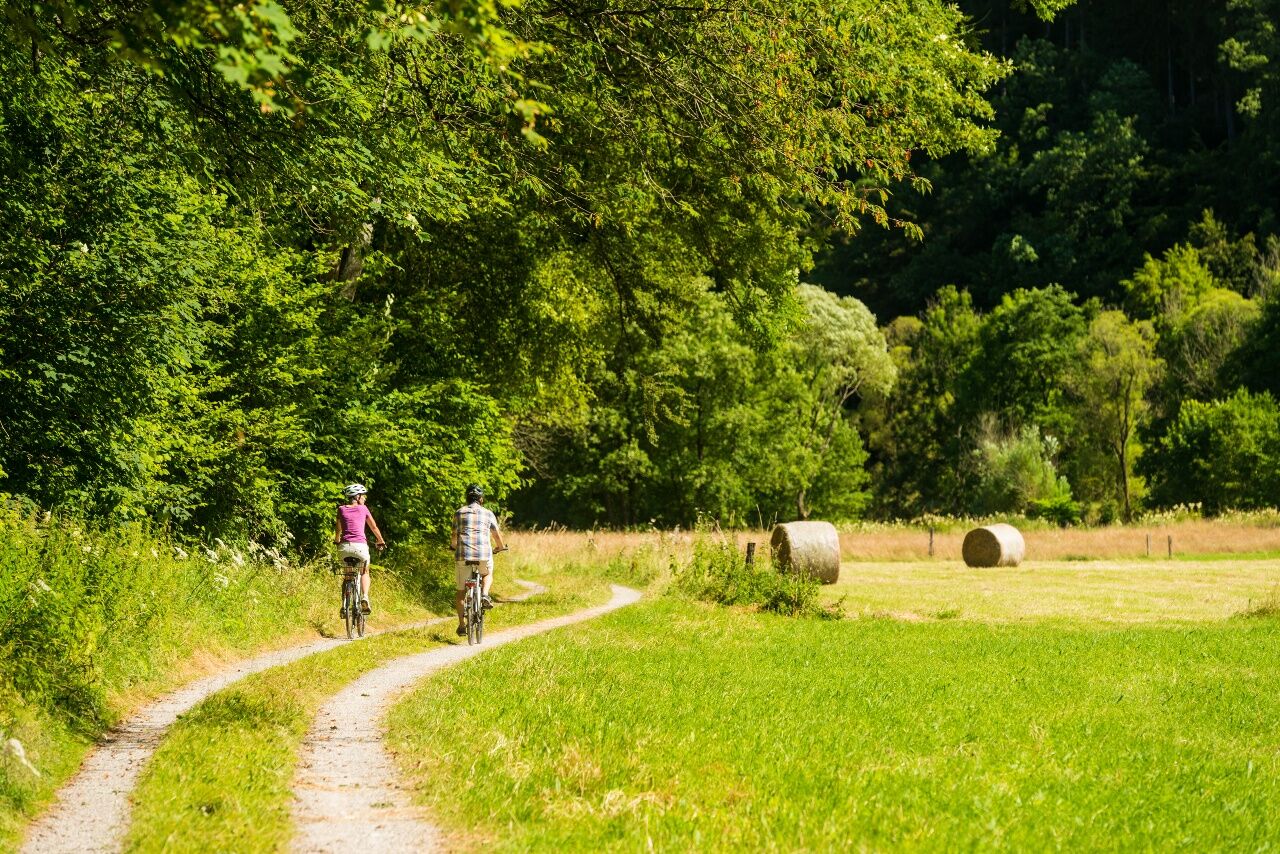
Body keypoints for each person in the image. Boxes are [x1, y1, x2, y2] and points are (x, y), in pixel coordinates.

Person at [451, 483, 505, 636]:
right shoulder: (488, 514)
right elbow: (496, 536)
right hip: (483, 555)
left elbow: (454, 535)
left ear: (467, 498)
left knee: (461, 592)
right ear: (481, 499)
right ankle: (485, 595)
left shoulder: (458, 513)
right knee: (487, 573)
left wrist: (453, 546)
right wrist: (500, 547)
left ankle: (462, 625)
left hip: (463, 555)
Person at [334, 483, 386, 614]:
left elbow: (338, 528)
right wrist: (380, 541)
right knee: (364, 572)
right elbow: (373, 527)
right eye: (363, 496)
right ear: (357, 497)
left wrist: (337, 540)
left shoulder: (341, 509)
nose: (364, 498)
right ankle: (365, 597)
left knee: (347, 576)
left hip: (344, 548)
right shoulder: (363, 509)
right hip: (360, 547)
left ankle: (344, 605)